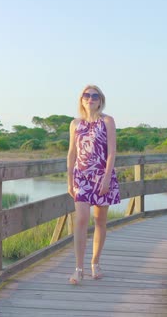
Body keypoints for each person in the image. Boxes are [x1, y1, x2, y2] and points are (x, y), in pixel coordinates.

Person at [67, 84, 120, 285]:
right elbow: (71, 153)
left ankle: (95, 263)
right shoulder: (75, 124)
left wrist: (107, 178)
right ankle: (78, 269)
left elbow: (112, 152)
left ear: (100, 100)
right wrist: (69, 180)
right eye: (87, 95)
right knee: (81, 219)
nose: (90, 98)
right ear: (81, 100)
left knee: (100, 221)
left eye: (95, 96)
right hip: (81, 177)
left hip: (102, 176)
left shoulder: (107, 121)